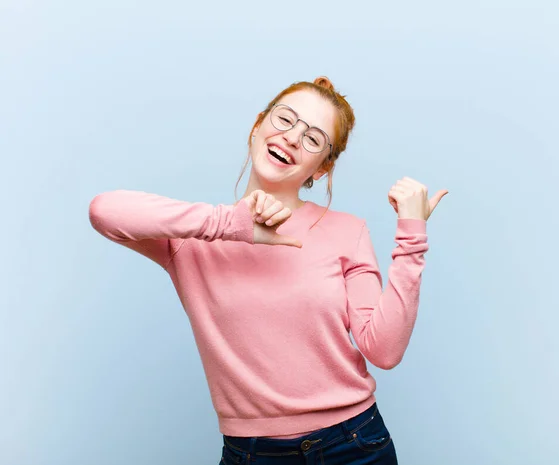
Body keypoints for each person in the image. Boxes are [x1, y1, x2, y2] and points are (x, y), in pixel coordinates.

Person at [88, 76, 447, 464]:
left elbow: (384, 350)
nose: (292, 137)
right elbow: (105, 211)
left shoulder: (347, 230)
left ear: (322, 168)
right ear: (257, 125)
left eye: (313, 139)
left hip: (354, 443)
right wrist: (232, 225)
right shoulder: (197, 235)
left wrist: (412, 236)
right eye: (285, 119)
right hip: (252, 453)